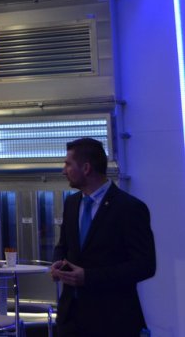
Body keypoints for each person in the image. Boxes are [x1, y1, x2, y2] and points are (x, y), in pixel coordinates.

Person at [50, 138, 156, 337]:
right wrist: (57, 264)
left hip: (113, 321)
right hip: (70, 319)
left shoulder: (129, 208)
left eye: (68, 164)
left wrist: (89, 277)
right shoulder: (71, 203)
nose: (64, 171)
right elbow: (63, 246)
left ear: (86, 168)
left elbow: (145, 265)